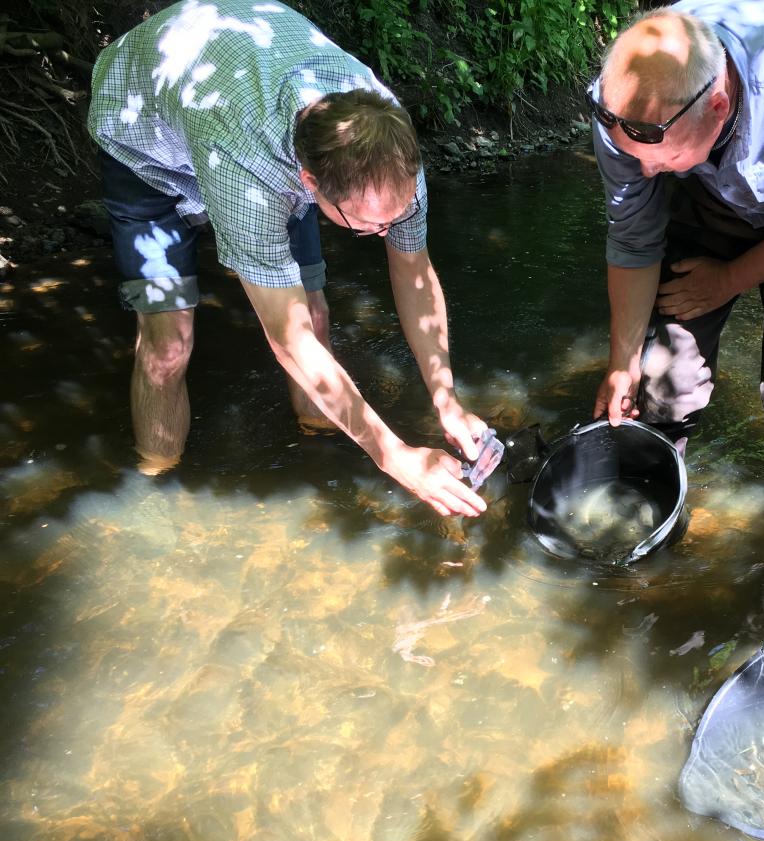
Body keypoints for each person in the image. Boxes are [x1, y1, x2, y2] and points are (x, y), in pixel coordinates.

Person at [87, 0, 487, 517]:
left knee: (317, 313)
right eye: (369, 225)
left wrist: (446, 398)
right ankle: (157, 485)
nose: (385, 231)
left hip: (250, 94)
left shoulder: (387, 146)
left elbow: (413, 271)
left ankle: (318, 444)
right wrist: (396, 457)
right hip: (144, 140)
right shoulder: (247, 172)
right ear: (309, 185)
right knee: (169, 342)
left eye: (397, 214)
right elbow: (287, 338)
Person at [588, 0, 764, 480]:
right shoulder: (622, 103)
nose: (643, 171)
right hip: (708, 198)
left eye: (659, 158)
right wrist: (623, 361)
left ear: (717, 109)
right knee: (661, 383)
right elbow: (634, 236)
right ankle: (651, 488)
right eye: (633, 154)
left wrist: (727, 280)